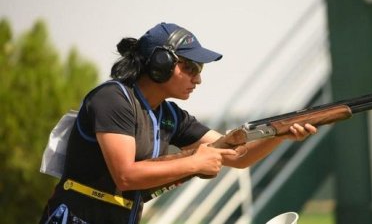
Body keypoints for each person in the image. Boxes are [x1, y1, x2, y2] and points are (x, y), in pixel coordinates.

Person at [39, 22, 317, 224]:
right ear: (160, 63)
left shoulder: (170, 115)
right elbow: (125, 176)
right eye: (190, 68)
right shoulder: (113, 99)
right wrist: (195, 162)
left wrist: (281, 134)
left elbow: (237, 156)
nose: (198, 79)